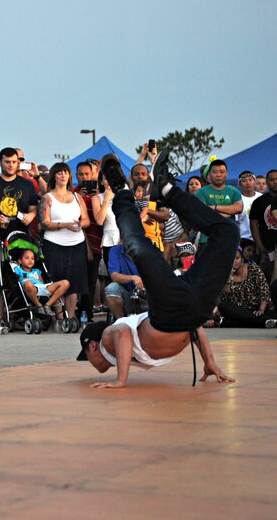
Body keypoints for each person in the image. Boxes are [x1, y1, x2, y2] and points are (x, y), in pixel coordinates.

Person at [77, 150, 237, 388]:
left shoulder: (109, 338)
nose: (92, 365)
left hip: (170, 310)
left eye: (88, 358)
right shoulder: (119, 351)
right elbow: (194, 328)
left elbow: (122, 336)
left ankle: (121, 192)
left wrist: (121, 380)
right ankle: (167, 190)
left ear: (92, 346)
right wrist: (209, 361)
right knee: (228, 233)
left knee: (138, 248)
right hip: (197, 308)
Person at [0, 147, 39, 331]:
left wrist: (31, 215)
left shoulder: (27, 184)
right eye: (7, 162)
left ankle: (26, 314)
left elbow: (34, 207)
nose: (11, 165)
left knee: (21, 278)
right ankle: (0, 319)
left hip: (22, 241)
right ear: (0, 162)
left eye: (14, 162)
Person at [39, 162, 90, 326]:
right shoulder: (47, 198)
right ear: (54, 175)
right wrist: (64, 225)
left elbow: (87, 220)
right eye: (59, 172)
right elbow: (44, 223)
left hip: (77, 243)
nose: (63, 175)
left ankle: (71, 317)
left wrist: (80, 224)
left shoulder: (77, 197)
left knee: (74, 282)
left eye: (66, 172)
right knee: (57, 280)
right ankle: (59, 318)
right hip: (54, 244)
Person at [213, 248, 275, 328]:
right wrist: (228, 277)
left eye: (237, 258)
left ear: (242, 259)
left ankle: (258, 321)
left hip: (256, 309)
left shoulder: (253, 269)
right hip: (239, 312)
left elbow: (264, 290)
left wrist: (261, 309)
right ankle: (262, 321)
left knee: (228, 322)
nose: (234, 261)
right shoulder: (225, 275)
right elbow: (226, 298)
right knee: (223, 306)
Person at [74, 161, 104, 322]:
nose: (84, 177)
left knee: (91, 280)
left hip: (96, 242)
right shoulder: (72, 194)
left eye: (87, 174)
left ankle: (87, 312)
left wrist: (96, 200)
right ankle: (81, 311)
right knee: (79, 279)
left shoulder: (100, 194)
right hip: (76, 241)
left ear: (93, 174)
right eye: (81, 174)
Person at [194, 159, 242, 246]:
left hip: (230, 238)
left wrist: (214, 207)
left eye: (222, 172)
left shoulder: (233, 191)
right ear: (209, 174)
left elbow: (238, 208)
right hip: (207, 239)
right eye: (215, 172)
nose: (218, 175)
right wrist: (229, 212)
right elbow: (204, 212)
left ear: (226, 174)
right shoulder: (201, 192)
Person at [12, 248, 70, 319]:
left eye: (32, 258)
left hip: (41, 287)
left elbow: (42, 284)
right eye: (27, 258)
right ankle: (39, 306)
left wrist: (46, 288)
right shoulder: (18, 270)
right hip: (29, 288)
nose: (30, 260)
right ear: (20, 261)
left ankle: (47, 305)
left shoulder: (37, 271)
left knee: (65, 283)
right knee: (28, 283)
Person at [104, 241, 144, 320]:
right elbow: (114, 276)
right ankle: (120, 321)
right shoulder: (115, 250)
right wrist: (133, 278)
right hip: (126, 295)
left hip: (145, 295)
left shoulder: (147, 251)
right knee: (111, 289)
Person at [249, 169, 276, 280]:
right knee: (266, 280)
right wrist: (259, 246)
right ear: (267, 182)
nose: (275, 181)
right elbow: (253, 224)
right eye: (272, 179)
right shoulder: (259, 201)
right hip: (267, 247)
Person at [237, 170, 262, 245]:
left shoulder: (261, 197)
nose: (248, 183)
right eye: (244, 181)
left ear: (255, 182)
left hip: (261, 238)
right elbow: (235, 221)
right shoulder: (237, 200)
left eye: (250, 180)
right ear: (240, 184)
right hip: (243, 239)